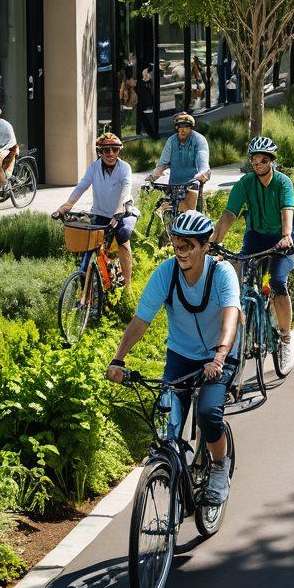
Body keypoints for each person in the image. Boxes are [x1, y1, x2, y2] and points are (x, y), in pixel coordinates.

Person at [106, 210, 240, 504]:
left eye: (187, 246)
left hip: (220, 355)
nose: (180, 252)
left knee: (207, 414)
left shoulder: (221, 273)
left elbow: (231, 318)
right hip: (181, 355)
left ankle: (219, 467)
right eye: (176, 245)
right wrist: (118, 359)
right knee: (168, 424)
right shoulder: (166, 273)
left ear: (205, 246)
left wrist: (219, 357)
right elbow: (141, 321)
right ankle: (174, 469)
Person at [211, 136, 294, 375]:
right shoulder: (245, 184)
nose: (257, 163)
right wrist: (214, 241)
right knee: (240, 281)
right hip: (256, 235)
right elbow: (229, 214)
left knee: (278, 283)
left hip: (282, 237)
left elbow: (286, 211)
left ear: (271, 161)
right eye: (254, 159)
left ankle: (286, 339)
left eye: (262, 159)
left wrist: (286, 235)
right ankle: (239, 335)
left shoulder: (283, 183)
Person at [56, 132, 136, 293]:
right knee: (89, 243)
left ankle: (128, 287)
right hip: (100, 212)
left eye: (115, 149)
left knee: (123, 237)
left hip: (122, 212)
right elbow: (82, 186)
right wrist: (67, 205)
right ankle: (88, 279)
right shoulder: (94, 168)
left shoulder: (124, 168)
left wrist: (119, 211)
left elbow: (126, 190)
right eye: (107, 150)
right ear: (100, 152)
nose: (111, 154)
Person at [148, 112, 211, 212]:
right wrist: (154, 176)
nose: (182, 129)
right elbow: (163, 163)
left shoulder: (199, 140)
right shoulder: (171, 141)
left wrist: (202, 173)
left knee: (190, 212)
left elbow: (202, 160)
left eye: (186, 126)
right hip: (174, 184)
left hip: (192, 184)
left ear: (191, 127)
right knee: (167, 212)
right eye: (179, 126)